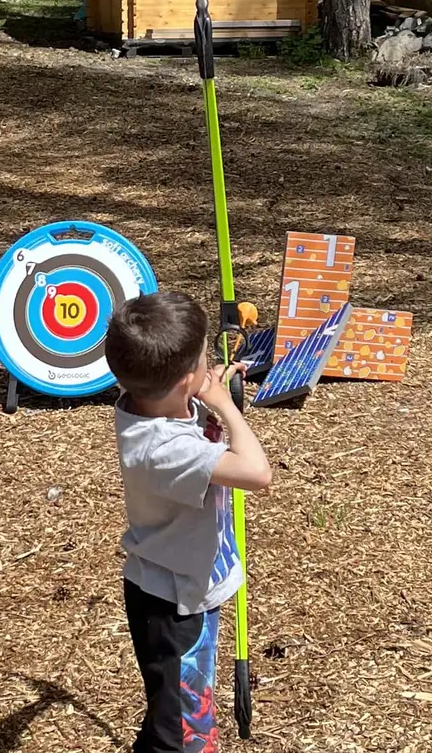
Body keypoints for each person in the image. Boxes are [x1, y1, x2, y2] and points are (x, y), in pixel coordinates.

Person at [105, 291, 272, 753]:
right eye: (204, 360)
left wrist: (207, 385)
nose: (209, 366)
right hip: (177, 605)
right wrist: (226, 405)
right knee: (183, 734)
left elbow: (168, 381)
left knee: (171, 708)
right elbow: (257, 472)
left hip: (178, 588)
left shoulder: (146, 399)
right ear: (184, 382)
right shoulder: (164, 449)